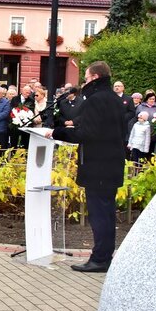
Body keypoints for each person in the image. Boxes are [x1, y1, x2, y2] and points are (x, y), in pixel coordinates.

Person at [50, 61, 126, 273]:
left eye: (86, 77)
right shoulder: (114, 99)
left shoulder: (95, 100)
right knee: (107, 213)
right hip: (111, 163)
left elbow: (87, 134)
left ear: (94, 77)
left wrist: (57, 132)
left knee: (100, 214)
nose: (83, 82)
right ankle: (104, 256)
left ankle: (100, 259)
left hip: (97, 165)